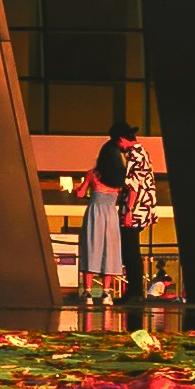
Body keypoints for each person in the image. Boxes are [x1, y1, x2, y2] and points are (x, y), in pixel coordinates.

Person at [74, 126, 144, 314]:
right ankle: (107, 293)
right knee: (110, 251)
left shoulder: (92, 174)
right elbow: (133, 189)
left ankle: (88, 293)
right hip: (111, 215)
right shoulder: (119, 178)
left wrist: (80, 190)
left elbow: (80, 194)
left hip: (94, 213)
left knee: (91, 249)